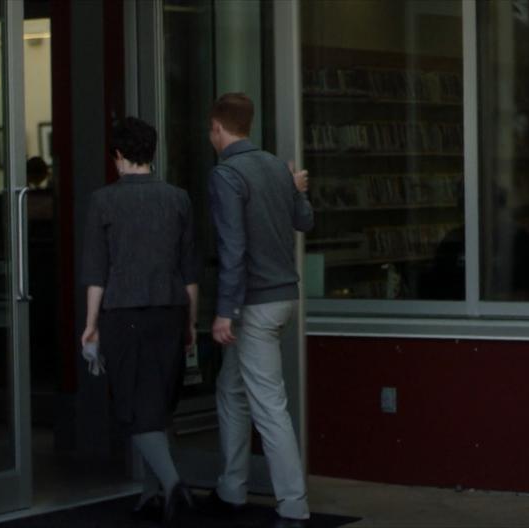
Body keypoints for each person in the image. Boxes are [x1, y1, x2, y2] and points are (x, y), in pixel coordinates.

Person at [80, 117, 199, 527]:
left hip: (122, 313)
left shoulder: (104, 201)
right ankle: (153, 493)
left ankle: (173, 485)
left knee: (135, 406)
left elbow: (97, 271)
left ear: (117, 156)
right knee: (158, 403)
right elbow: (190, 275)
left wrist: (90, 324)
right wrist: (191, 324)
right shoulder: (179, 199)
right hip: (170, 310)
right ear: (152, 152)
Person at [204, 93, 314, 528]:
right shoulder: (274, 166)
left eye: (209, 130)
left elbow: (233, 247)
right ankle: (231, 488)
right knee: (231, 390)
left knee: (268, 405)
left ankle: (293, 505)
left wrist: (224, 311)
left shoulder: (226, 174)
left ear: (217, 127)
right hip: (284, 297)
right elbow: (305, 222)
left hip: (254, 304)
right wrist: (295, 190)